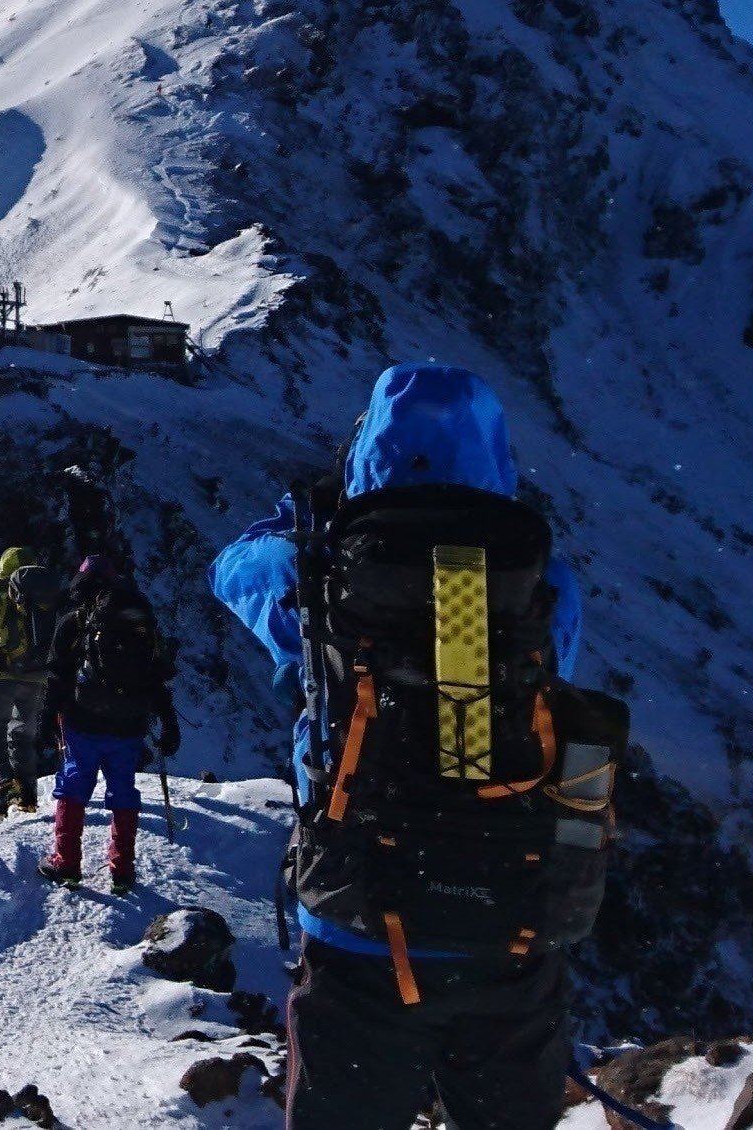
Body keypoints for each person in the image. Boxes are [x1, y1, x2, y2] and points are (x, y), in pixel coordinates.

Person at [209, 363, 618, 1130]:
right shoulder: (544, 586)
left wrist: (316, 516)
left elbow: (231, 568)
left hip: (360, 927)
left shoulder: (319, 575)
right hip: (512, 931)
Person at [39, 558, 179, 890]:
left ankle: (67, 864)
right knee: (123, 791)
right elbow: (156, 677)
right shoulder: (140, 625)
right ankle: (122, 871)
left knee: (74, 786)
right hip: (129, 725)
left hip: (82, 721)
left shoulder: (74, 623)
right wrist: (169, 723)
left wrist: (46, 718)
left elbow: (57, 678)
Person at [0, 546, 55, 815]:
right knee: (22, 734)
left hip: (3, 673)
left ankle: (3, 783)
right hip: (37, 676)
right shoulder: (44, 590)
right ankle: (27, 794)